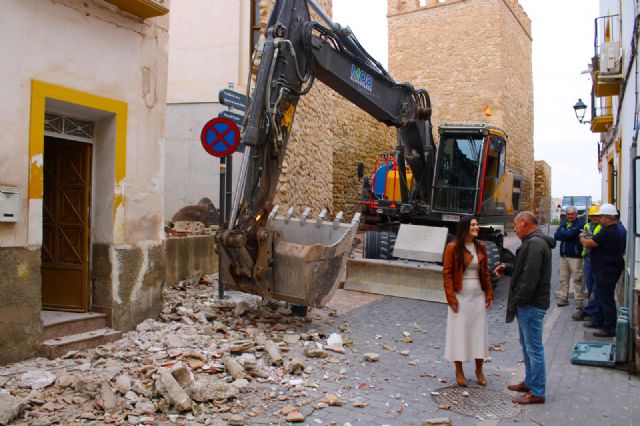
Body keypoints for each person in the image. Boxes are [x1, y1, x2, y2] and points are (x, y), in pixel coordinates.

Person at [496, 211, 555, 404]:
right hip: (528, 304)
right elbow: (523, 270)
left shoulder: (535, 244)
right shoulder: (532, 243)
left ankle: (537, 392)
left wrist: (520, 300)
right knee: (528, 346)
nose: (514, 228)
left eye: (515, 225)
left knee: (534, 348)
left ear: (524, 222)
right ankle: (530, 382)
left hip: (530, 305)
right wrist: (507, 268)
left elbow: (529, 279)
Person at [442, 216, 494, 387]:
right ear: (464, 228)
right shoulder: (452, 247)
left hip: (477, 296)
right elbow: (447, 274)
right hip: (460, 297)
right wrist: (451, 298)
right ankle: (459, 370)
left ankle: (479, 370)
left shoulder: (481, 247)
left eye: (477, 224)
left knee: (479, 333)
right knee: (459, 333)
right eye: (473, 225)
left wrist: (489, 293)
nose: (476, 227)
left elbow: (485, 272)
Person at [580, 203, 624, 337]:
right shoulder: (615, 229)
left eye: (601, 217)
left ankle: (609, 328)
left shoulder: (608, 231)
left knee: (606, 299)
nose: (599, 219)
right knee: (599, 296)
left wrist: (582, 237)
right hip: (606, 269)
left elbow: (588, 243)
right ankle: (598, 321)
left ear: (608, 218)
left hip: (607, 271)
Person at [572, 205, 601, 321]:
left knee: (595, 287)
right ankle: (592, 309)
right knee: (589, 284)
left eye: (595, 216)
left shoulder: (601, 227)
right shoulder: (587, 225)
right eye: (592, 216)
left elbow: (588, 241)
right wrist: (585, 239)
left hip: (597, 258)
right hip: (587, 257)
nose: (593, 218)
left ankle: (592, 311)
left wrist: (584, 238)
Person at [553, 206, 585, 307]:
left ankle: (578, 299)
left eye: (572, 214)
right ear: (566, 215)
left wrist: (564, 232)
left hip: (575, 256)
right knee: (563, 278)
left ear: (576, 214)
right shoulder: (564, 223)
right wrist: (566, 233)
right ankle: (564, 298)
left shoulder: (580, 224)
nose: (570, 216)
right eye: (568, 214)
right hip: (563, 256)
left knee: (577, 279)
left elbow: (570, 234)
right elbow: (556, 236)